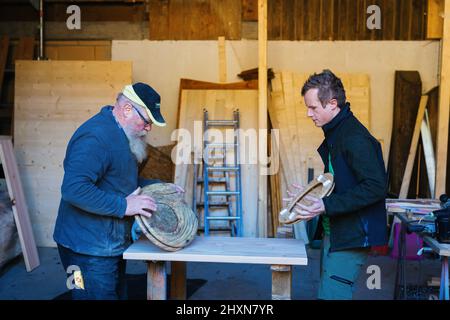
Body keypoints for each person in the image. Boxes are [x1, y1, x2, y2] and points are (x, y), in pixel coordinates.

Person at [53, 82, 183, 300]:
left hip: (107, 246)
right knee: (86, 294)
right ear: (127, 109)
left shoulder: (122, 136)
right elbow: (73, 189)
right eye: (147, 121)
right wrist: (124, 205)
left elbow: (119, 181)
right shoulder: (95, 138)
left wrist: (157, 186)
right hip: (85, 250)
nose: (149, 128)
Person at [285, 70, 387, 300]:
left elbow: (375, 186)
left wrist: (324, 206)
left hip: (353, 234)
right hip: (337, 230)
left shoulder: (354, 138)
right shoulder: (336, 134)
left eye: (313, 108)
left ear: (332, 104)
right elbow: (340, 183)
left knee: (331, 295)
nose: (308, 113)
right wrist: (306, 195)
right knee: (328, 291)